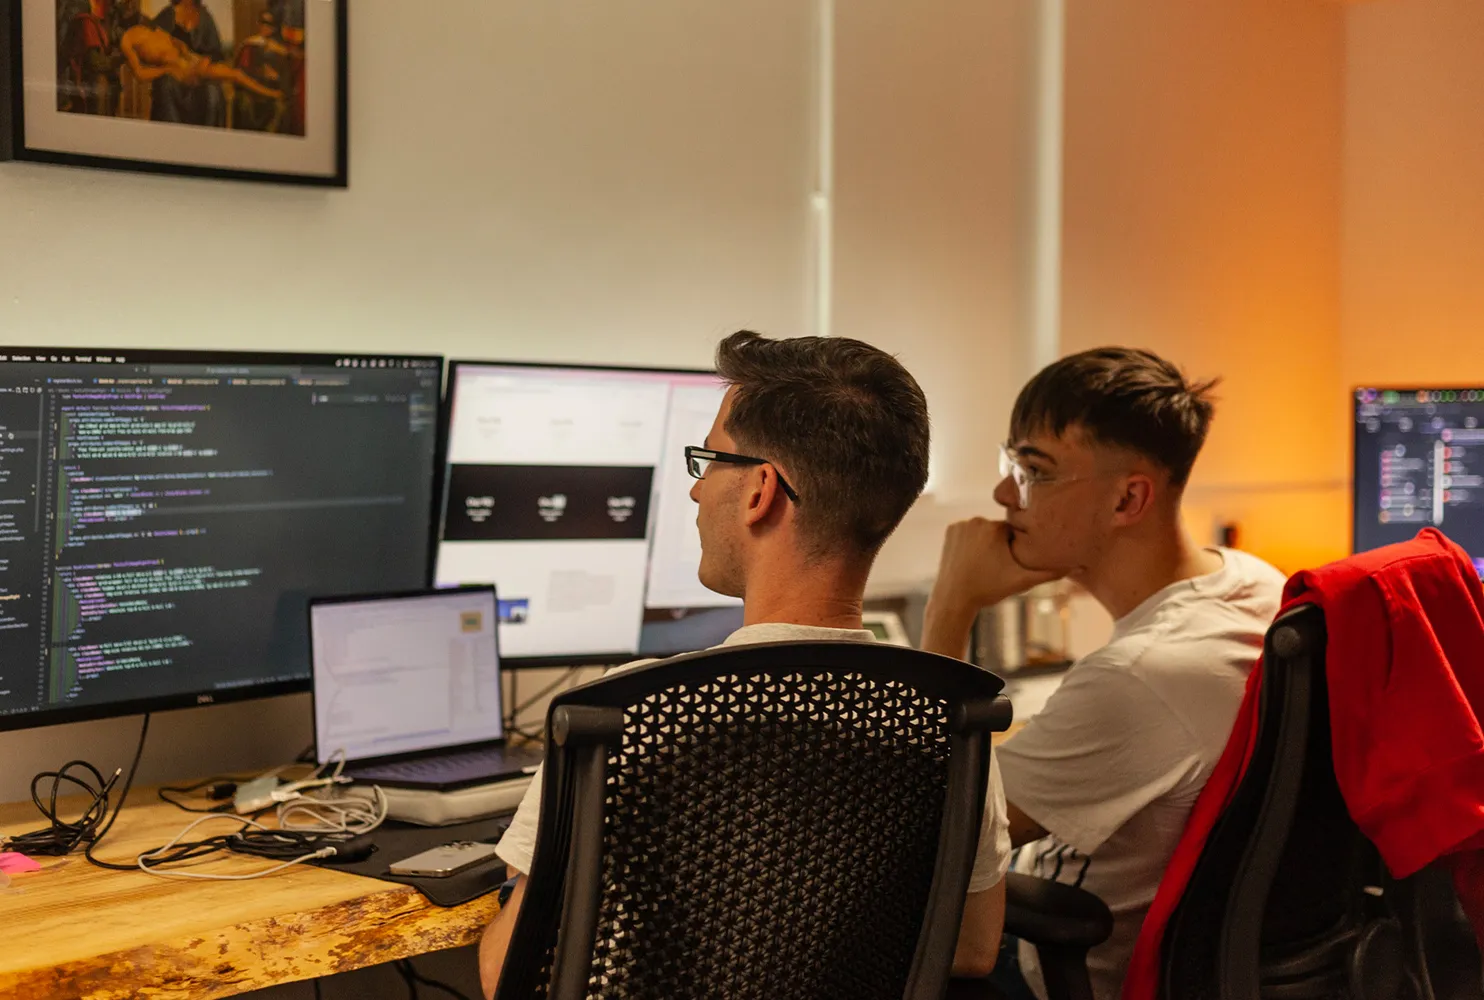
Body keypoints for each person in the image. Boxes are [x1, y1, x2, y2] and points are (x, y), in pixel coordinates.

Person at [477, 331, 1014, 998]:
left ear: (761, 489)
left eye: (707, 462)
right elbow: (969, 947)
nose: (698, 492)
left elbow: (513, 974)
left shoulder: (626, 718)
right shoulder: (946, 716)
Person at [921, 347, 1286, 1000]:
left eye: (1033, 470)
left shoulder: (1137, 679)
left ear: (1128, 498)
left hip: (1046, 968)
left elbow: (930, 832)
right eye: (1012, 463)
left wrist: (952, 607)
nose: (1006, 494)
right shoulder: (1256, 583)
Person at [120, 22, 283, 108]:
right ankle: (271, 94)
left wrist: (188, 53)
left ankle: (270, 93)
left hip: (190, 60)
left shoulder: (151, 27)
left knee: (236, 73)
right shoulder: (127, 41)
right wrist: (165, 69)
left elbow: (176, 43)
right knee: (234, 75)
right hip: (181, 72)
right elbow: (140, 74)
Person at [145, 0, 225, 125]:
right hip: (173, 72)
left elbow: (216, 52)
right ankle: (173, 135)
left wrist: (206, 60)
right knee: (165, 84)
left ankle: (208, 138)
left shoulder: (205, 16)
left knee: (213, 92)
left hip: (198, 75)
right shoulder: (168, 14)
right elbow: (152, 43)